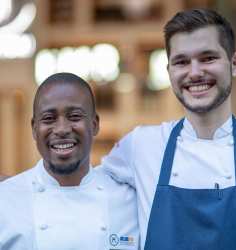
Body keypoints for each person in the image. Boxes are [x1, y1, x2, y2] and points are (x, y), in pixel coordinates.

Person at [101, 8, 236, 250]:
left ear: (235, 64)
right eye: (181, 61)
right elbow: (85, 195)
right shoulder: (140, 146)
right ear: (170, 72)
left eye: (207, 58)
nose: (194, 72)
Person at [0, 73, 139, 250]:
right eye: (49, 118)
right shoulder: (5, 198)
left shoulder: (130, 200)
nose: (62, 129)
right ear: (34, 129)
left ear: (94, 124)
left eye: (74, 116)